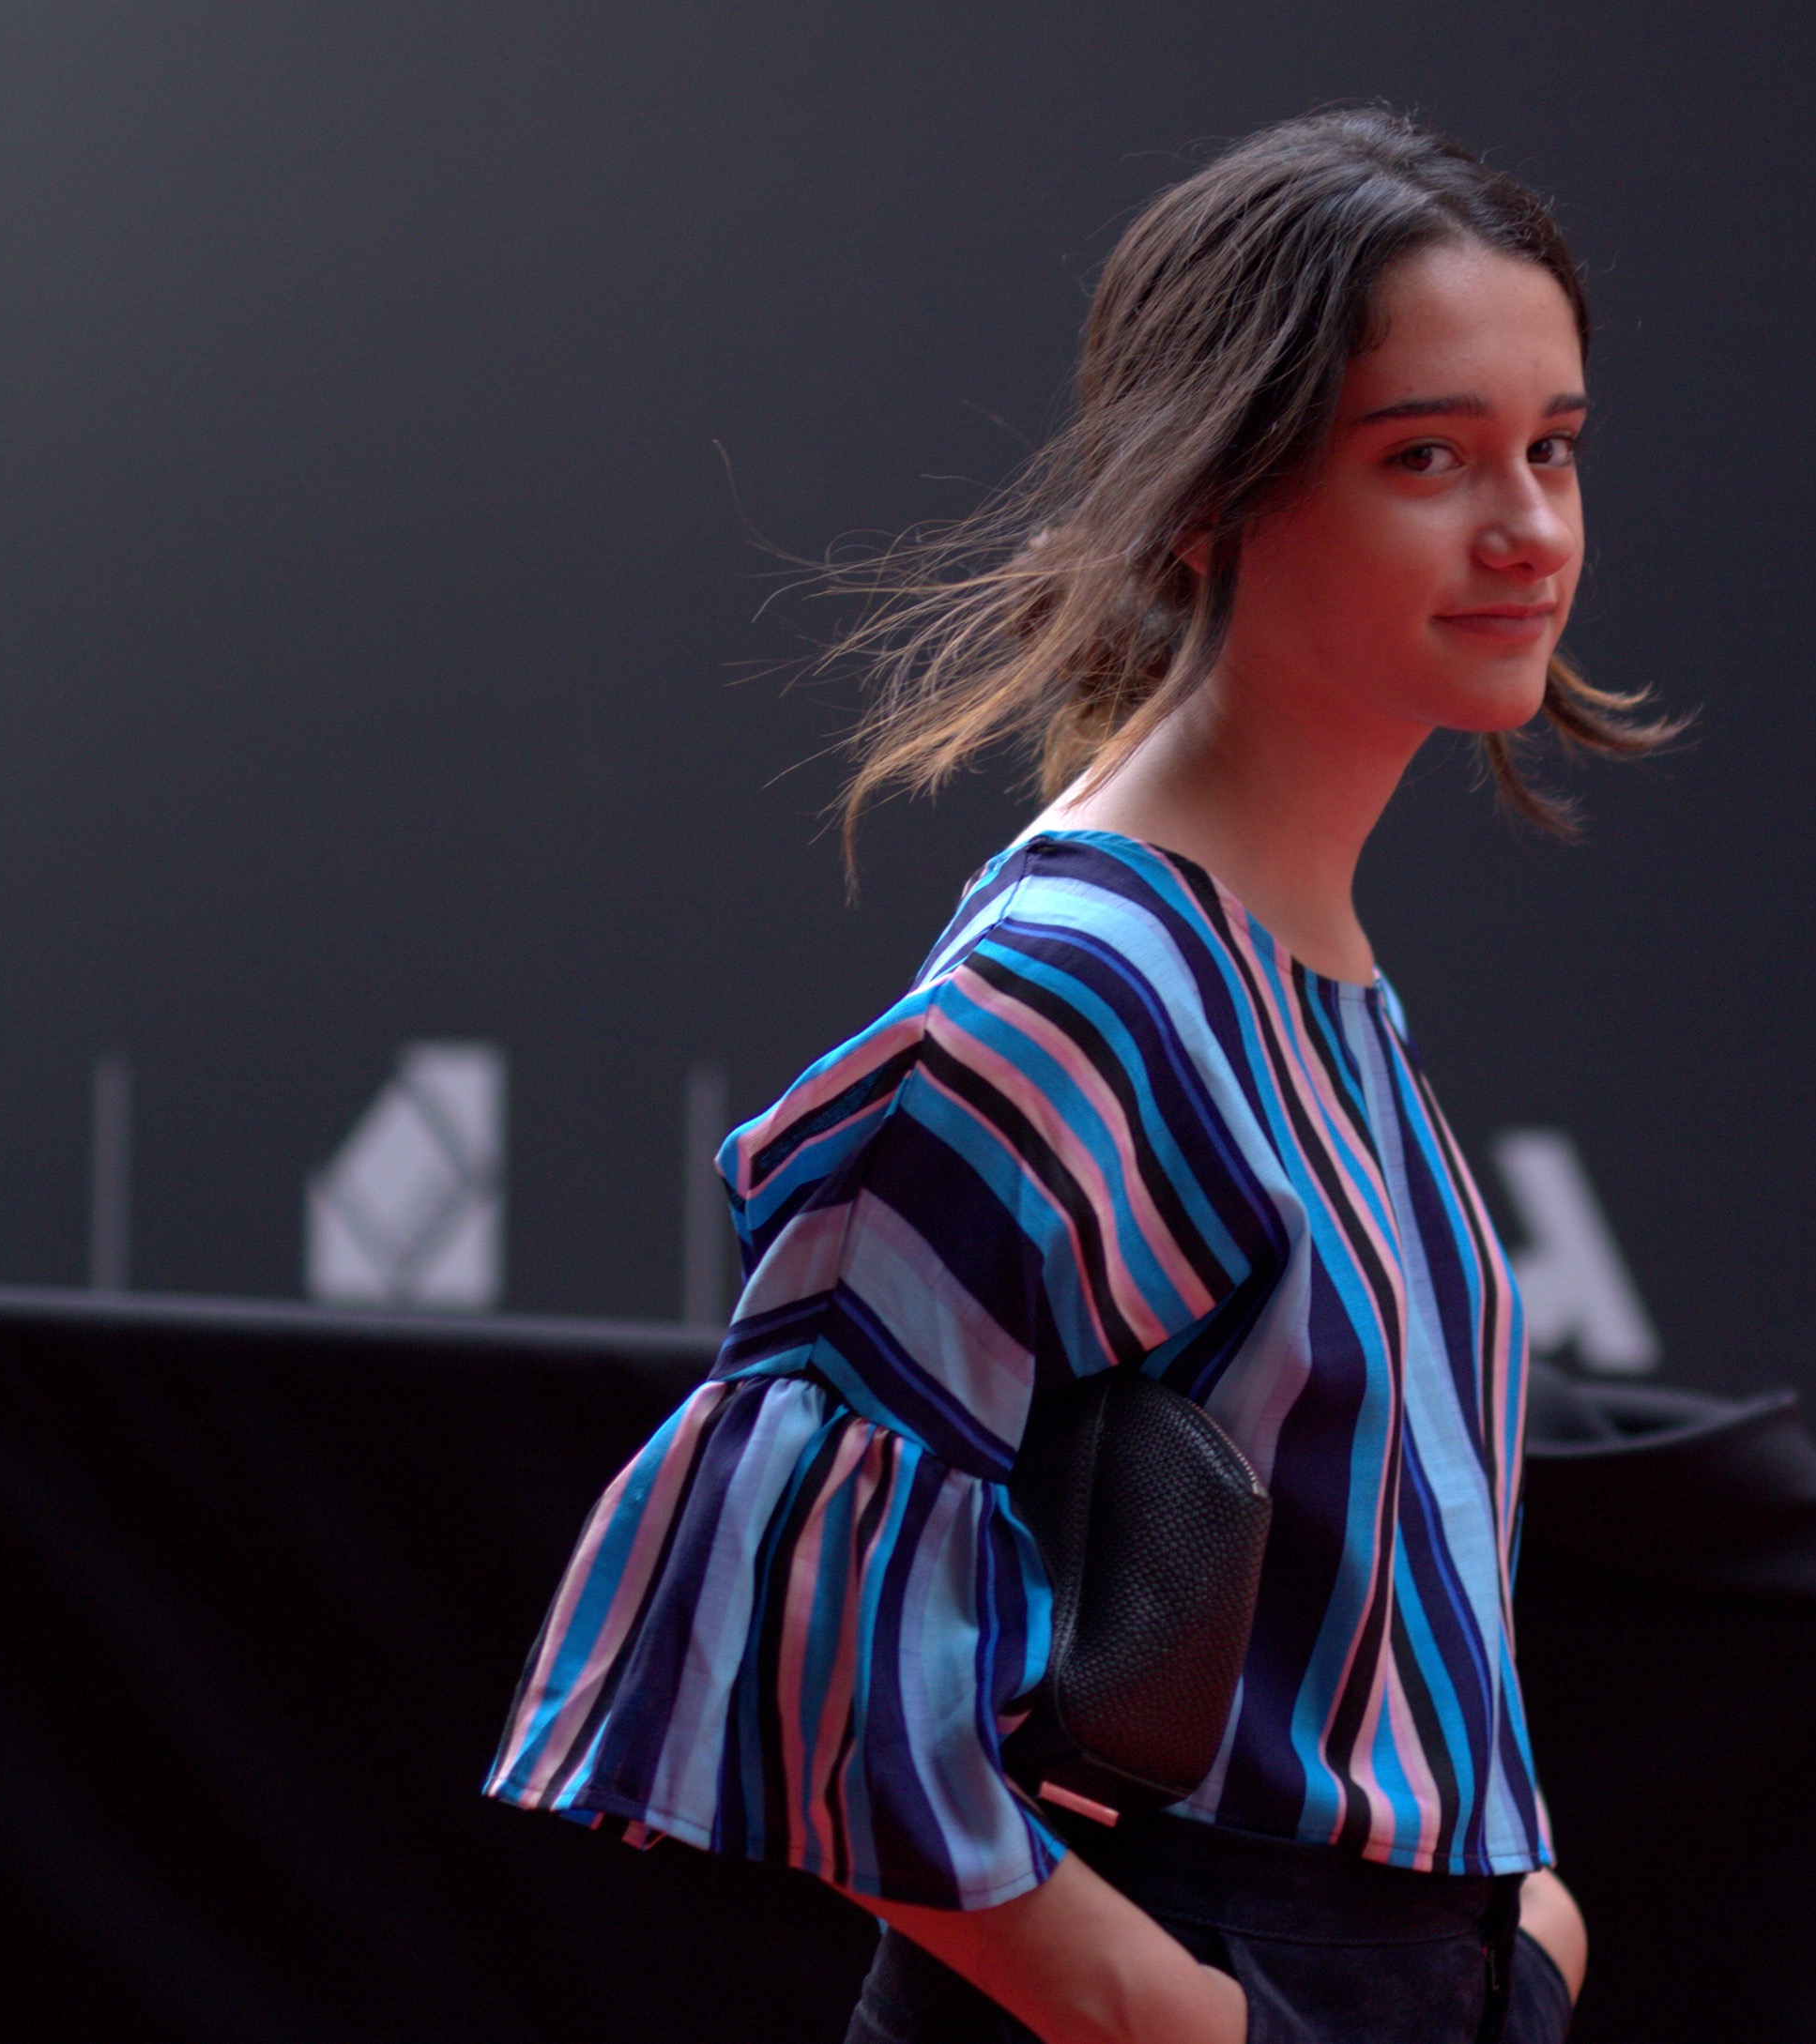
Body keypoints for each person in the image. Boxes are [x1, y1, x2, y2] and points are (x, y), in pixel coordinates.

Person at [484, 106, 1674, 2044]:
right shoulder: (1087, 985)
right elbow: (816, 1650)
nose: (1528, 527)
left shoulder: (1286, 948)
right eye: (1427, 456)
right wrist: (1201, 2019)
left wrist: (1517, 1931)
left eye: (1555, 448)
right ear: (1207, 494)